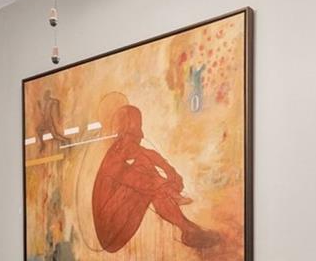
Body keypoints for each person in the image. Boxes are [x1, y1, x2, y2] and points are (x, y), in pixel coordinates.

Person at [91, 103, 222, 253]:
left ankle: (188, 229)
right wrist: (168, 188)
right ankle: (187, 229)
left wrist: (171, 172)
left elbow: (150, 155)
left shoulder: (130, 151)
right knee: (145, 171)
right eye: (134, 134)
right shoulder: (112, 162)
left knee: (145, 163)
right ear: (122, 135)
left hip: (122, 219)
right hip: (111, 230)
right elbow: (140, 181)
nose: (141, 137)